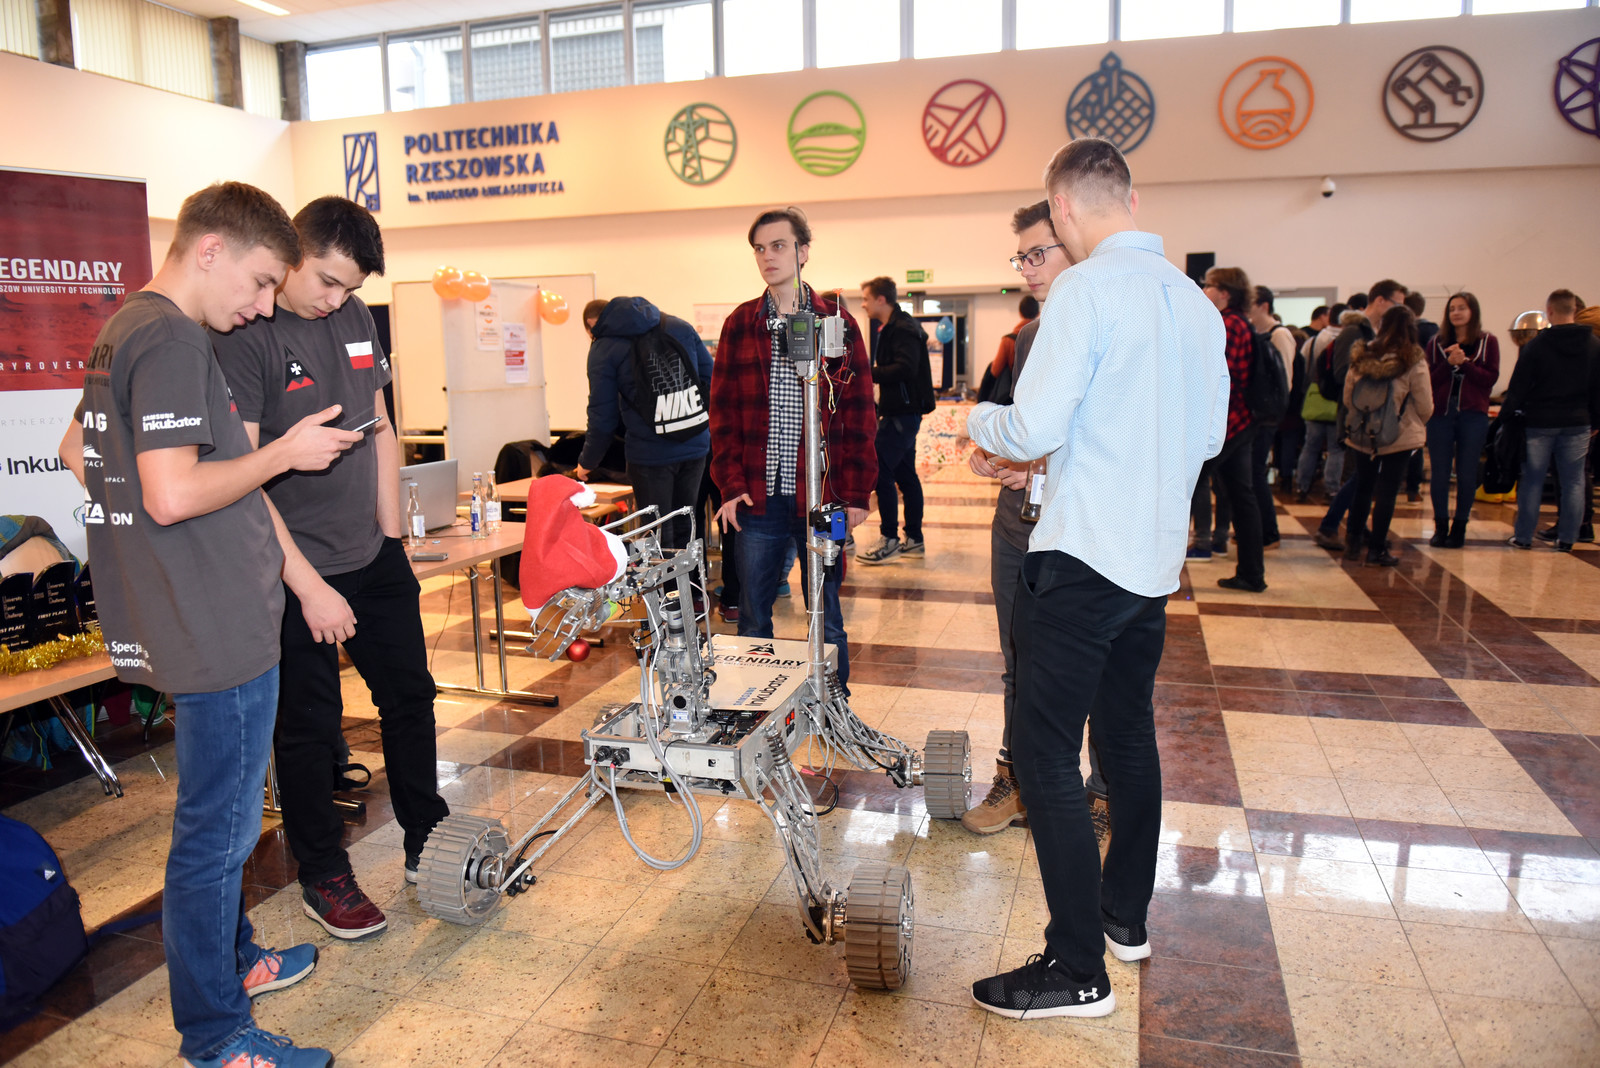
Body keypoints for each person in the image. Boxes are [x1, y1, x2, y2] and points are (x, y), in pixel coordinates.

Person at [58, 182, 359, 1068]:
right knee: (216, 839)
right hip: (216, 625)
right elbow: (171, 493)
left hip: (198, 609)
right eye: (261, 282)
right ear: (211, 250)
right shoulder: (173, 340)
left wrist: (163, 542)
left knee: (216, 821)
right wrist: (282, 453)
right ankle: (217, 1033)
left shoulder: (128, 327)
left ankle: (233, 962)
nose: (262, 306)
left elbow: (81, 453)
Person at [967, 138, 1229, 1019]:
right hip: (1151, 564)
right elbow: (1208, 437)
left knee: (1044, 752)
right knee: (1125, 738)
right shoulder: (1194, 302)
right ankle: (1124, 919)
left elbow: (1033, 423)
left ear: (1064, 209)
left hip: (1081, 560)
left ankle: (1076, 967)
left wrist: (975, 419)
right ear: (1132, 198)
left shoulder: (1085, 289)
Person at [209, 196, 449, 943]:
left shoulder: (353, 319)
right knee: (309, 729)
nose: (337, 299)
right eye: (327, 281)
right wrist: (308, 587)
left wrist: (390, 537)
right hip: (290, 572)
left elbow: (381, 426)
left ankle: (427, 839)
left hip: (370, 554)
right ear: (292, 254)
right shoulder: (244, 334)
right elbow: (245, 475)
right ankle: (323, 872)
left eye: (352, 288)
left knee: (410, 699)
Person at [963, 200, 1106, 836]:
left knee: (1093, 665)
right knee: (1019, 659)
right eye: (1020, 256)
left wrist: (1043, 465)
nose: (1026, 267)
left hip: (1084, 525)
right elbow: (1035, 426)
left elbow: (1110, 440)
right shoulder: (1027, 337)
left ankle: (1100, 795)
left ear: (1075, 241)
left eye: (1037, 253)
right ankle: (1018, 778)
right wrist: (1005, 456)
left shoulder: (1109, 324)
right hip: (1020, 521)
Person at [710, 207, 876, 686]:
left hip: (824, 497)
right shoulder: (740, 323)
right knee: (753, 616)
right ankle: (753, 706)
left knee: (827, 615)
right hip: (758, 496)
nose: (768, 257)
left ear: (803, 252)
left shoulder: (837, 322)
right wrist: (730, 486)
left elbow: (859, 413)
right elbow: (722, 415)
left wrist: (856, 495)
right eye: (760, 249)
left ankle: (834, 708)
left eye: (779, 246)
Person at [573, 296, 714, 550]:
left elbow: (603, 416)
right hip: (695, 443)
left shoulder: (604, 347)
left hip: (649, 453)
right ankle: (690, 578)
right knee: (687, 524)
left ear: (592, 326)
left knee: (656, 531)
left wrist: (587, 462)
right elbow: (710, 378)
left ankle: (662, 578)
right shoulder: (678, 326)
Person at [1311, 280, 1409, 551]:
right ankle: (1329, 526)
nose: (1399, 310)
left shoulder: (1372, 332)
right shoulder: (1354, 331)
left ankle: (1356, 527)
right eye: (1397, 303)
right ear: (1381, 301)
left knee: (1365, 476)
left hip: (1372, 416)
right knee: (1361, 476)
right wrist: (1377, 374)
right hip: (1357, 416)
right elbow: (1343, 374)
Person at [1188, 265, 1266, 591]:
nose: (1204, 290)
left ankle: (1157, 572)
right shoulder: (1240, 322)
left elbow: (1218, 379)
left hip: (1226, 425)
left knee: (1184, 490)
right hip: (1240, 423)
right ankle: (1252, 573)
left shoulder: (1228, 324)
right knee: (1242, 497)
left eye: (1209, 286)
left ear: (1224, 293)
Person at [1507, 288, 1600, 551]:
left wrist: (1509, 418)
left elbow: (1519, 386)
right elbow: (1598, 388)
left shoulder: (1537, 345)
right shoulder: (1594, 345)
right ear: (1574, 310)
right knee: (1574, 481)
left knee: (1532, 480)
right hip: (1578, 422)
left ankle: (1523, 537)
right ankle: (1568, 539)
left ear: (1549, 311)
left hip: (1540, 422)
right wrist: (1596, 421)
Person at [1341, 305, 1433, 566]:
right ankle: (1377, 550)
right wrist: (1416, 423)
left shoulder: (1363, 354)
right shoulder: (1412, 359)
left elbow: (1348, 396)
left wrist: (1363, 418)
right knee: (1387, 492)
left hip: (1362, 432)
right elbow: (1425, 403)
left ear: (1381, 326)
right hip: (1399, 435)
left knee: (1363, 486)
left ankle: (1353, 543)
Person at [856, 276, 935, 564]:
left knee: (881, 470)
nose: (863, 305)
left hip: (902, 413)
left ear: (881, 299)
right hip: (898, 411)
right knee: (905, 475)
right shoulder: (894, 327)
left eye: (866, 299)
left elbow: (906, 367)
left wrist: (867, 373)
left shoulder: (902, 328)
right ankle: (914, 538)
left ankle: (889, 538)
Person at [1424, 292, 1499, 547]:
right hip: (1441, 415)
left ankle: (1460, 527)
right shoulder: (1436, 342)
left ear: (1472, 311)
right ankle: (1440, 526)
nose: (1456, 313)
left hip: (1473, 415)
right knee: (1440, 473)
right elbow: (1429, 380)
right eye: (1452, 308)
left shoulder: (1488, 341)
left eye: (1462, 308)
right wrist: (1449, 363)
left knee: (1467, 473)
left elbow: (1489, 379)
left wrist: (1464, 363)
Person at [1247, 285, 1295, 550]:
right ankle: (1255, 529)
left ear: (1264, 305)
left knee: (1256, 472)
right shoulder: (1256, 333)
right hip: (1256, 415)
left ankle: (1269, 532)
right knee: (1250, 473)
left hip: (1267, 417)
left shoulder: (1280, 334)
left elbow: (1284, 379)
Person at [1295, 307, 1356, 503]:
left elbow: (1304, 366)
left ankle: (1301, 486)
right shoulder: (1352, 342)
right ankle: (1331, 489)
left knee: (1310, 447)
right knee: (1335, 449)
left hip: (1315, 397)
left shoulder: (1314, 340)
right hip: (1338, 400)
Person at [980, 294, 1039, 403]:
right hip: (1038, 394)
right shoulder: (1044, 336)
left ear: (1020, 313)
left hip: (1015, 397)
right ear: (1038, 313)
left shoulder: (1008, 340)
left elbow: (995, 370)